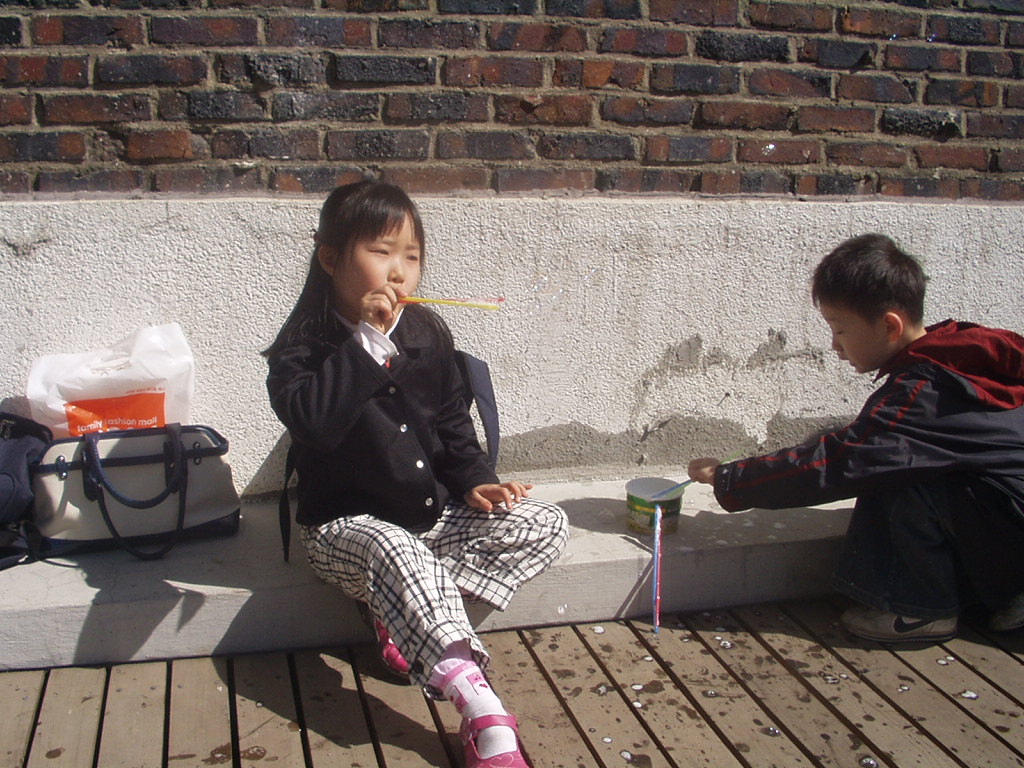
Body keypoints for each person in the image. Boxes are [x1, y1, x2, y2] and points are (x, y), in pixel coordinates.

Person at [264, 180, 569, 767]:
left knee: (543, 523)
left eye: (412, 255)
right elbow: (315, 424)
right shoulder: (300, 349)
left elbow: (453, 423)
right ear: (330, 258)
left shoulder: (427, 331)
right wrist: (367, 343)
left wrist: (476, 479)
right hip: (344, 530)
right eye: (381, 252)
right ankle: (482, 712)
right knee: (398, 550)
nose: (399, 271)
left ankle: (399, 612)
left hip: (428, 519)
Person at [688, 233, 1024, 644]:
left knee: (893, 472)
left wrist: (730, 478)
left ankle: (919, 609)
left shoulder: (922, 397)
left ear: (890, 325)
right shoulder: (959, 357)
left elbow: (837, 463)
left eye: (840, 330)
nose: (834, 345)